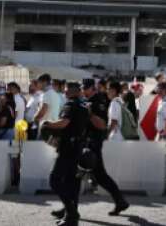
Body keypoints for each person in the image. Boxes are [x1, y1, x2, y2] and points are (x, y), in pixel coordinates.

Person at [80, 78, 129, 216]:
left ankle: (68, 208)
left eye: (86, 88)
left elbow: (102, 124)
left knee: (96, 175)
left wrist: (89, 114)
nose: (83, 90)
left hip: (92, 144)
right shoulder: (85, 100)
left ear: (92, 88)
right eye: (82, 88)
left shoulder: (99, 101)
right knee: (97, 176)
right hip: (85, 143)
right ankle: (120, 201)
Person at [42, 81, 88, 226]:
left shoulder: (71, 104)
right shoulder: (83, 105)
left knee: (54, 180)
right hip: (79, 147)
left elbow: (64, 123)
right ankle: (71, 219)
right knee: (71, 183)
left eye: (67, 90)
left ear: (73, 91)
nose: (65, 92)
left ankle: (72, 212)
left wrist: (47, 124)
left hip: (68, 148)